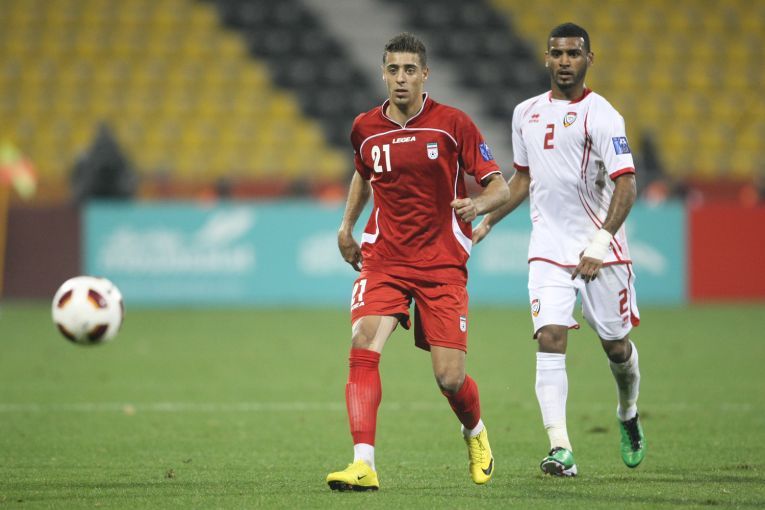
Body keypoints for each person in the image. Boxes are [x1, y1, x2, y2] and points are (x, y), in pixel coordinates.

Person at [326, 32, 510, 491]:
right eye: (393, 70)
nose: (401, 78)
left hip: (441, 264)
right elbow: (363, 174)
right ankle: (363, 463)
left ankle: (475, 431)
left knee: (449, 378)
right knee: (363, 341)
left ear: (425, 75)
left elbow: (499, 186)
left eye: (410, 70)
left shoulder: (452, 123)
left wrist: (477, 205)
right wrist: (347, 227)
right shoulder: (365, 127)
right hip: (384, 258)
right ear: (383, 74)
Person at [474, 22, 646, 477]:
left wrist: (600, 243)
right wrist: (488, 219)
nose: (564, 61)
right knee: (550, 336)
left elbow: (626, 184)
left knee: (617, 348)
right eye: (557, 53)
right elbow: (522, 180)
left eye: (573, 53)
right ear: (546, 59)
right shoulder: (525, 113)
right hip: (548, 248)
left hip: (601, 250)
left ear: (589, 59)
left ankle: (628, 412)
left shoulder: (602, 115)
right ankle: (561, 449)